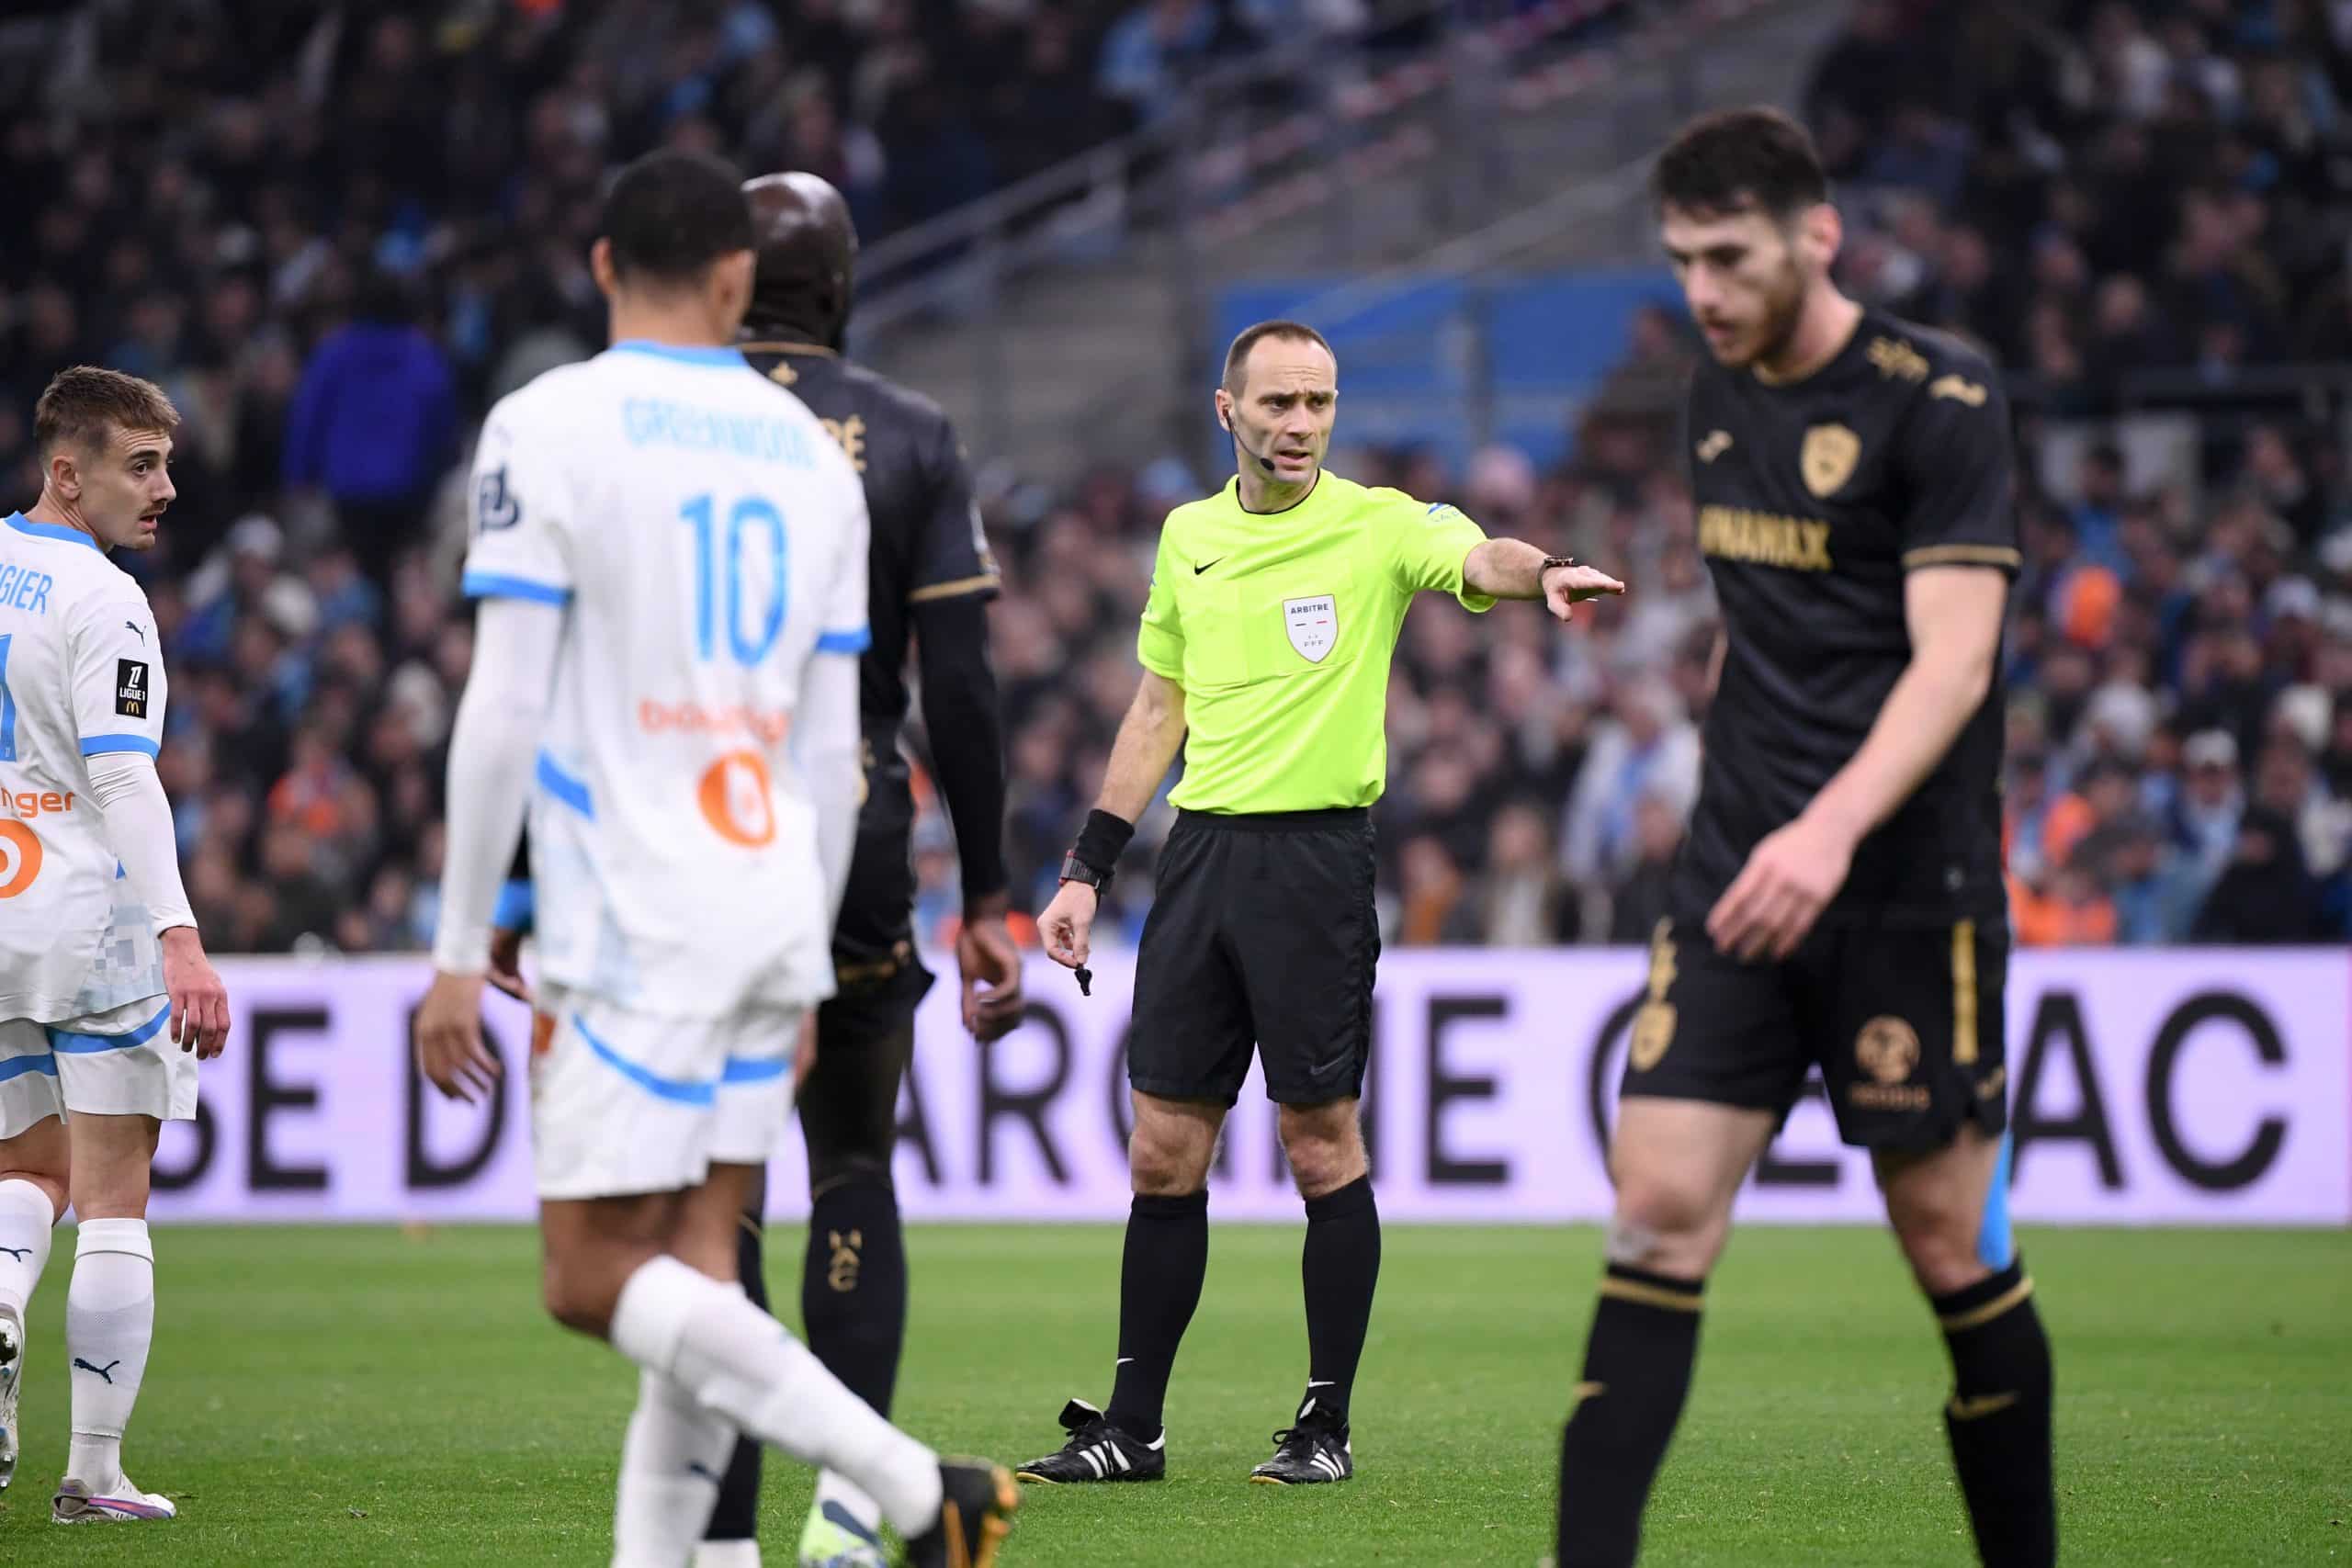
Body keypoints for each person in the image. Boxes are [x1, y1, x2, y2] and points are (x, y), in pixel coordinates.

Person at [412, 148, 1016, 1568]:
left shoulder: (548, 423)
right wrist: (805, 957)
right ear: (733, 278)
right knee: (695, 1259)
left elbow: (505, 699)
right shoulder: (816, 462)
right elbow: (828, 749)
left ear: (605, 264)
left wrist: (458, 941)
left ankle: (918, 1487)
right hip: (777, 893)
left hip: (627, 902)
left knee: (588, 1275)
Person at [1554, 108, 2052, 1568]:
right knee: (1653, 1208)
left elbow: (1953, 660)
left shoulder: (1938, 397)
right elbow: (1775, 644)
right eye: (1682, 260)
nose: (1702, 289)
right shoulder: (1710, 395)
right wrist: (1754, 814)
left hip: (1902, 884)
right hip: (1737, 872)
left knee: (1952, 1249)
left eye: (1728, 255)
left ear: (1815, 236)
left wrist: (1829, 830)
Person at [1013, 319, 1623, 1488]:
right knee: (1161, 1153)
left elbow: (1478, 557)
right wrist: (1086, 868)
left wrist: (1541, 570)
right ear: (1226, 410)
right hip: (1198, 861)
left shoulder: (1378, 525)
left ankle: (1323, 1426)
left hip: (1315, 868)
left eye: (1319, 404)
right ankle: (1129, 1431)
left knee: (1316, 1140)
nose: (1301, 426)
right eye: (1280, 404)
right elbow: (1156, 711)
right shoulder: (1188, 536)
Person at [689, 170, 1025, 1568]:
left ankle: (716, 1532)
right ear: (845, 283)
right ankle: (848, 1505)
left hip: (688, 828)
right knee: (851, 1164)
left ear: (723, 279)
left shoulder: (655, 424)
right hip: (857, 824)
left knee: (709, 1187)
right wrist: (992, 890)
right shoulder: (907, 430)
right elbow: (962, 683)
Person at [0, 367, 232, 1521]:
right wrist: (181, 938)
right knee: (111, 1191)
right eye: (140, 466)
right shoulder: (103, 598)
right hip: (90, 917)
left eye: (165, 463)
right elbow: (123, 771)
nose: (166, 489)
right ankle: (91, 1474)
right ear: (65, 471)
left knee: (21, 1173)